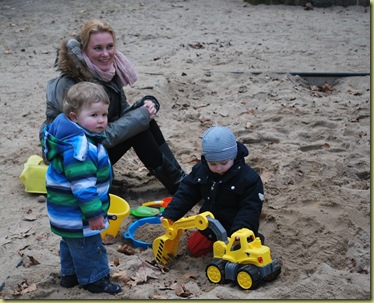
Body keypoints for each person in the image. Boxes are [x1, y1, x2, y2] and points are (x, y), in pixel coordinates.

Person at [39, 19, 185, 194]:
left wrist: (146, 104)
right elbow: (80, 138)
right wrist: (139, 117)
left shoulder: (108, 72)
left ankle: (181, 179)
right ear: (83, 50)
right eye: (98, 48)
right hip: (71, 157)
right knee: (138, 126)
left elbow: (122, 115)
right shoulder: (70, 84)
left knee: (143, 121)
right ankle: (179, 185)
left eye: (110, 46)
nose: (106, 54)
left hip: (95, 146)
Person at [42, 82, 121, 294]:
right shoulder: (80, 149)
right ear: (74, 117)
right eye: (94, 115)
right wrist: (94, 215)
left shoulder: (71, 138)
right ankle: (95, 280)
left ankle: (70, 276)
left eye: (104, 114)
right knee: (89, 247)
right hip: (78, 215)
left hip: (65, 212)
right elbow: (83, 188)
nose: (101, 120)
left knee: (70, 244)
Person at [161, 126, 265, 257]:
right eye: (213, 164)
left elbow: (250, 208)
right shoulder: (201, 171)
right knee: (194, 249)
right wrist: (172, 213)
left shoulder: (249, 179)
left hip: (234, 228)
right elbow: (187, 193)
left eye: (224, 163)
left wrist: (241, 230)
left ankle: (253, 239)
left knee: (236, 256)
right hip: (209, 226)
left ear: (233, 156)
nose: (219, 168)